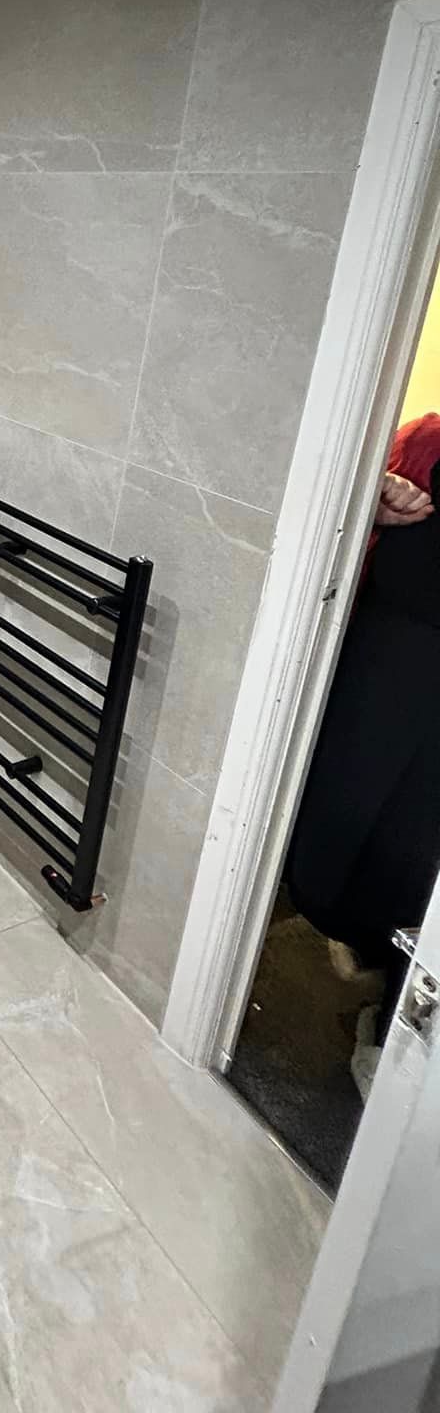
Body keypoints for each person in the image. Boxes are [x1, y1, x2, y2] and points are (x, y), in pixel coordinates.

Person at [286, 412, 440, 1093]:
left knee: (419, 868)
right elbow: (335, 518)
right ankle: (372, 958)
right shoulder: (427, 438)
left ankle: (393, 1023)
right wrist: (372, 502)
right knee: (334, 845)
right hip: (380, 673)